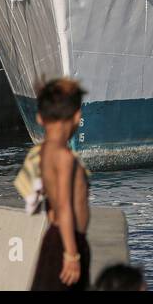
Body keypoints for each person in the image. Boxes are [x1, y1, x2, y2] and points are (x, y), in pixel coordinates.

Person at [29, 78, 91, 291]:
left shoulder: (46, 151)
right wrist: (72, 254)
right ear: (76, 117)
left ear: (40, 118)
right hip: (67, 242)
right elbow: (64, 207)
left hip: (57, 240)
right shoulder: (64, 158)